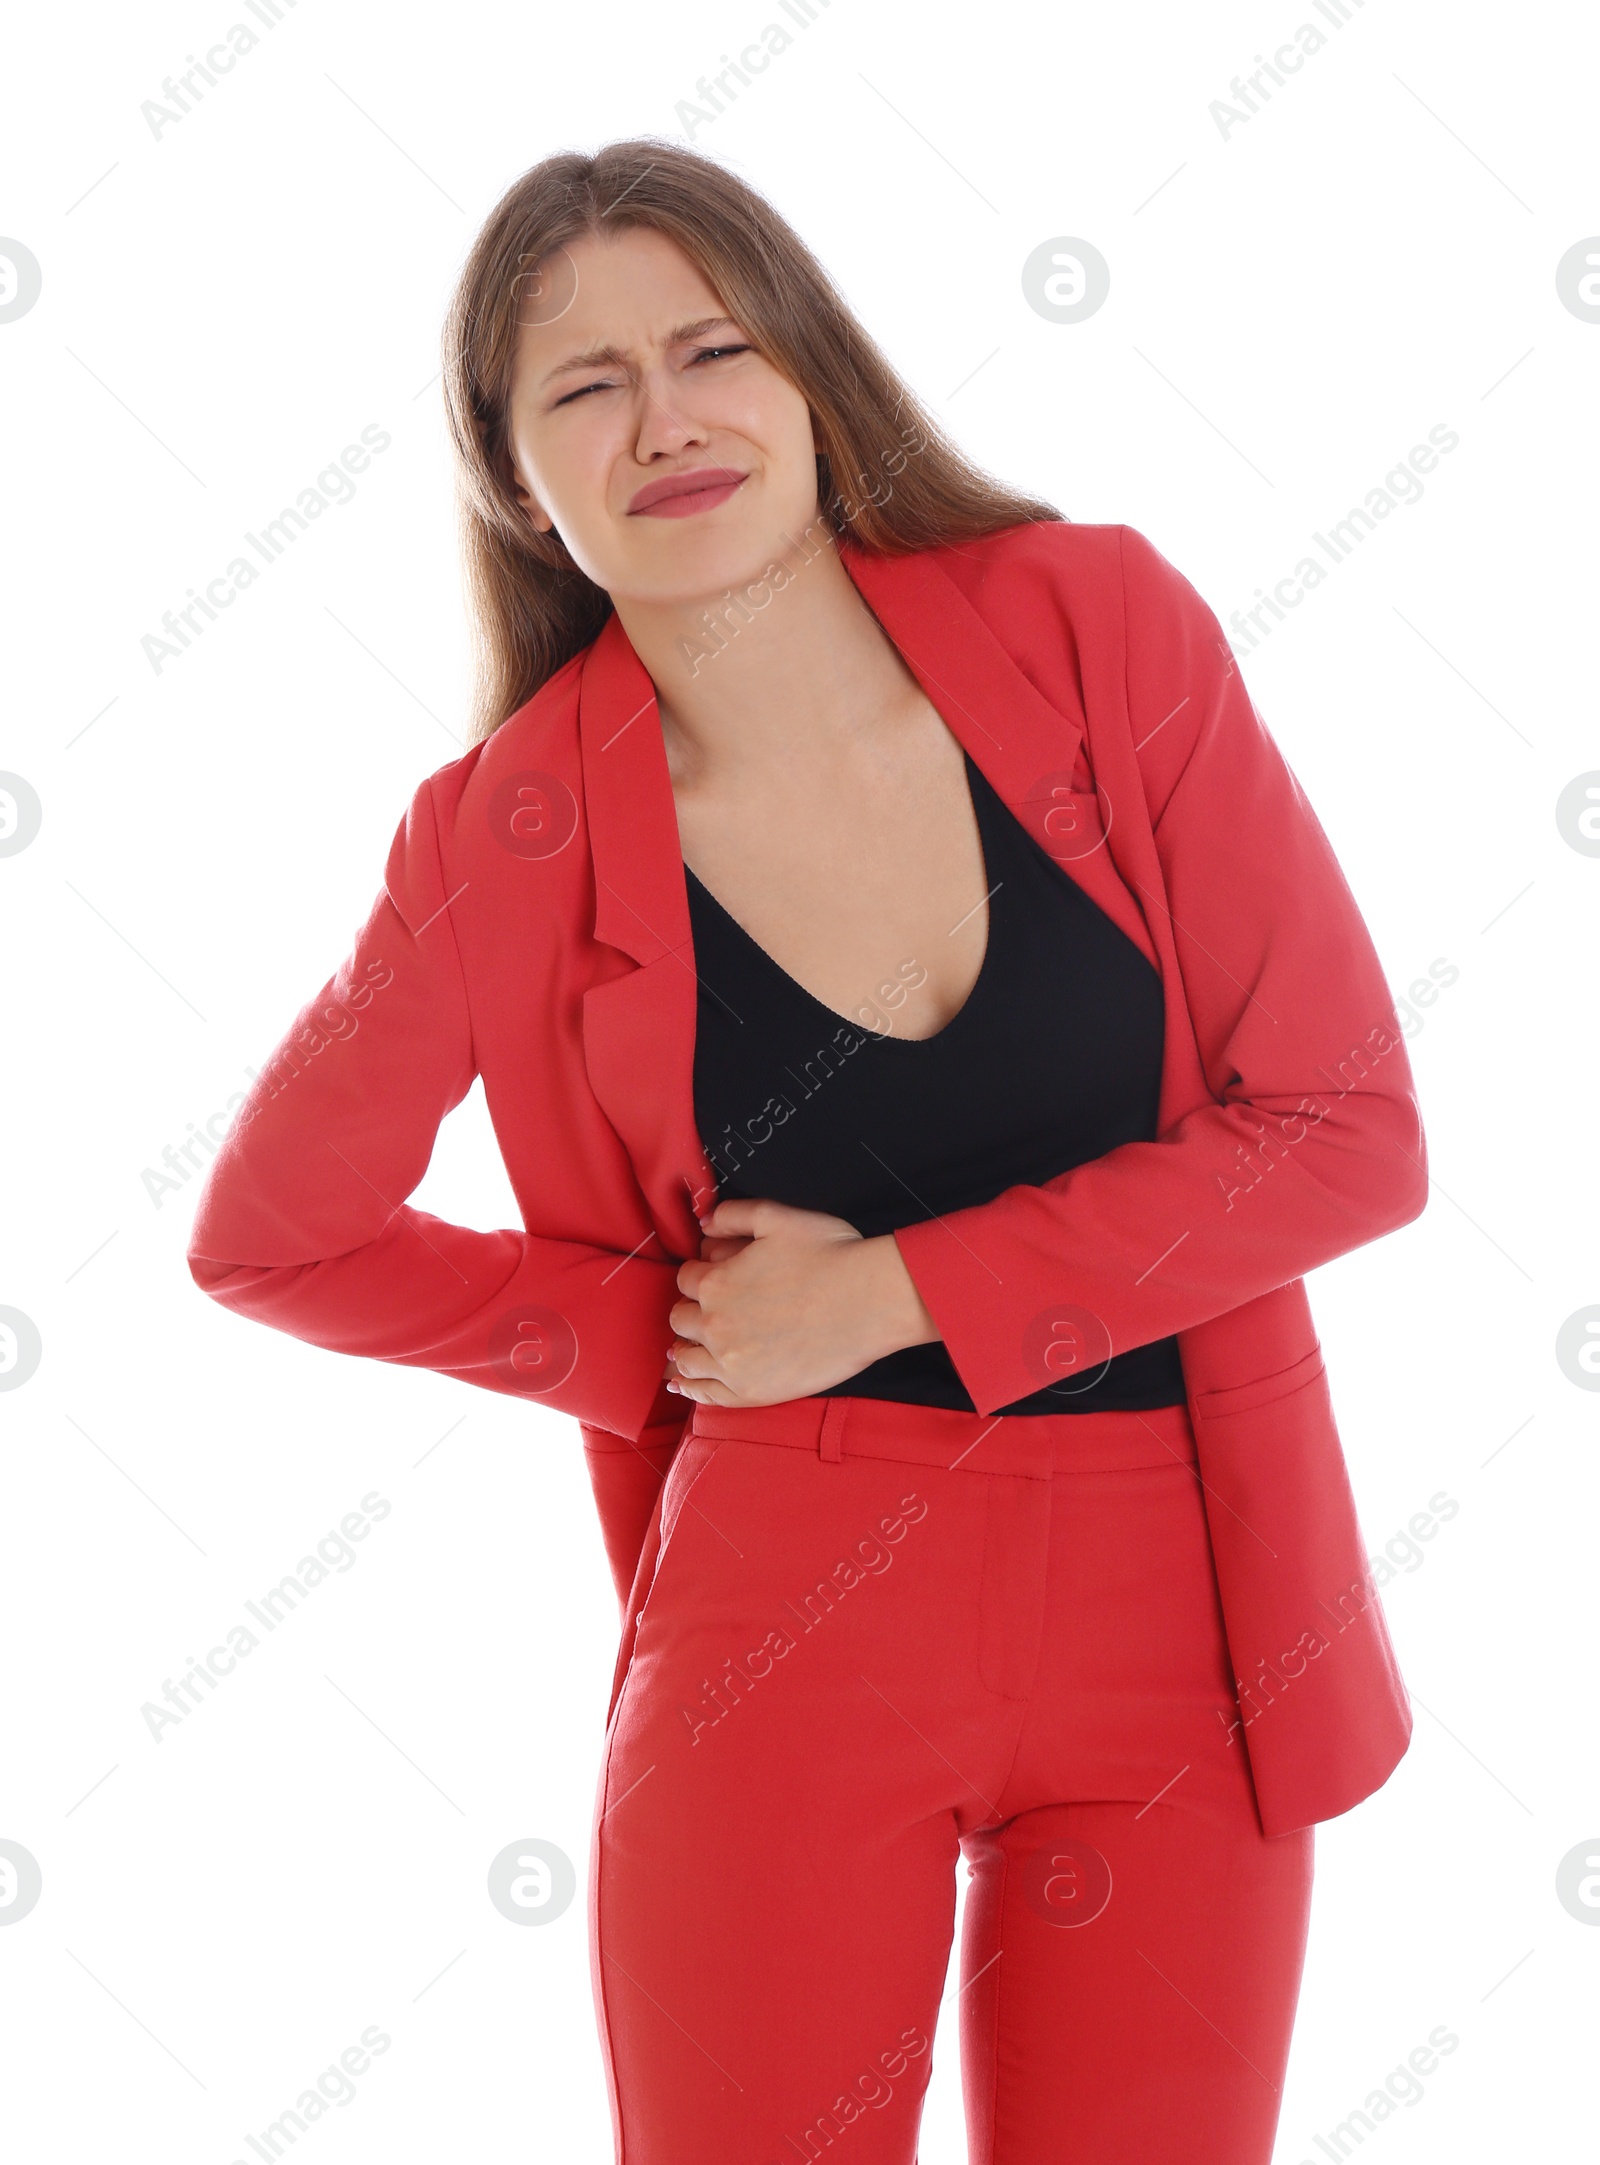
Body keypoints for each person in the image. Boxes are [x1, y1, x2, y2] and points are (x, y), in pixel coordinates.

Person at [187, 137, 1430, 2164]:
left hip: (1185, 1601)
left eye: (708, 348)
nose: (663, 419)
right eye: (581, 387)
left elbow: (1348, 1134)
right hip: (785, 1617)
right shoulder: (496, 833)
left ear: (806, 377)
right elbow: (274, 1234)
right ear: (515, 475)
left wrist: (888, 1294)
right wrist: (668, 1337)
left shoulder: (1093, 626)